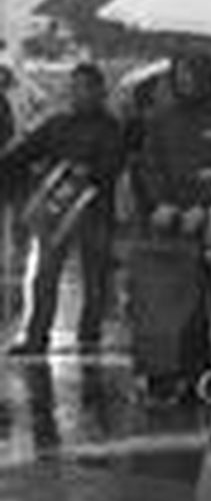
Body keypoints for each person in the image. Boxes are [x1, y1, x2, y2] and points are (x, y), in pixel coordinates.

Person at [133, 53, 211, 400]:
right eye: (180, 73)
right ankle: (187, 377)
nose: (185, 79)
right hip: (173, 231)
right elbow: (148, 167)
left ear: (206, 75)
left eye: (191, 72)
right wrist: (160, 203)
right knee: (175, 309)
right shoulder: (162, 120)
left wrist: (207, 208)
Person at [0, 62, 125, 355]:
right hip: (57, 210)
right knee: (45, 275)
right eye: (73, 87)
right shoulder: (57, 124)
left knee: (95, 279)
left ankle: (89, 336)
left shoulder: (111, 127)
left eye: (82, 87)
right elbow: (25, 151)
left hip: (95, 210)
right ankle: (36, 335)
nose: (76, 93)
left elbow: (114, 164)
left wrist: (90, 171)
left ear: (98, 91)